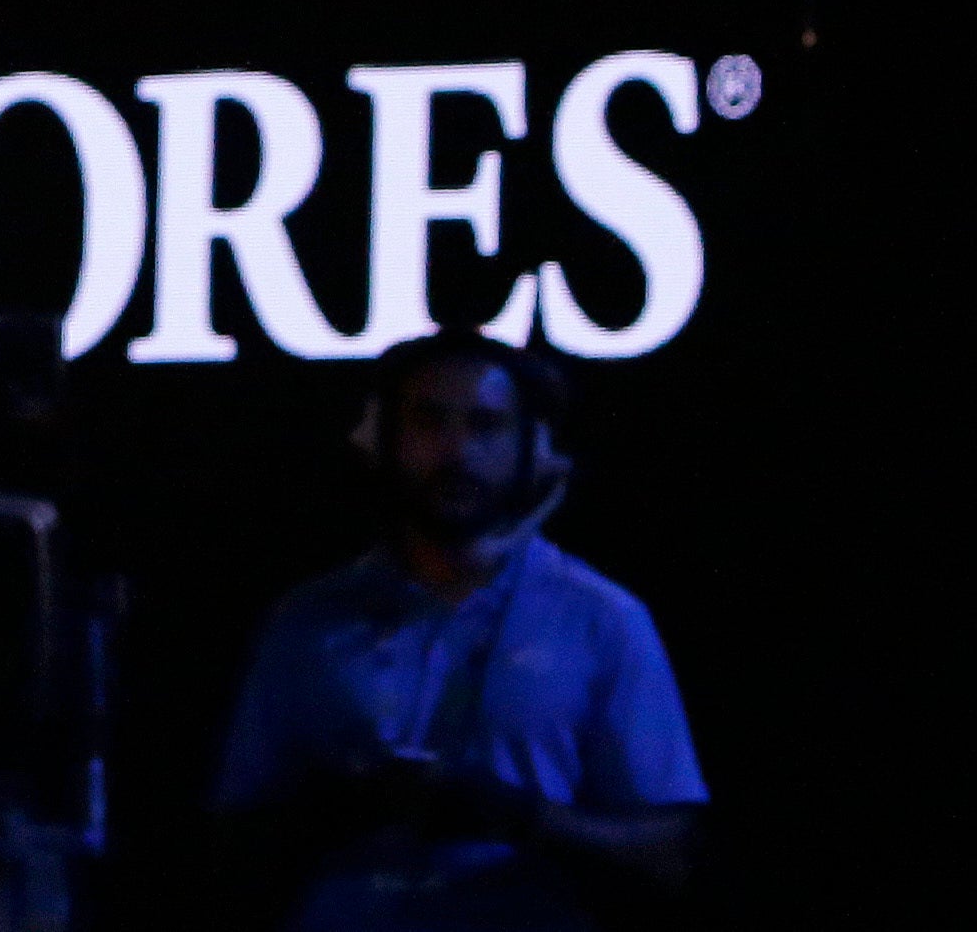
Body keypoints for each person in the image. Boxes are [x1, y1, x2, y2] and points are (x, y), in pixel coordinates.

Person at [214, 331, 705, 931]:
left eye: (485, 426)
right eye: (429, 423)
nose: (456, 451)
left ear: (537, 449)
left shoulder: (603, 620)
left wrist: (521, 818)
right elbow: (231, 841)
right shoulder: (305, 621)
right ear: (380, 441)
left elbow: (668, 854)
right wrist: (336, 810)